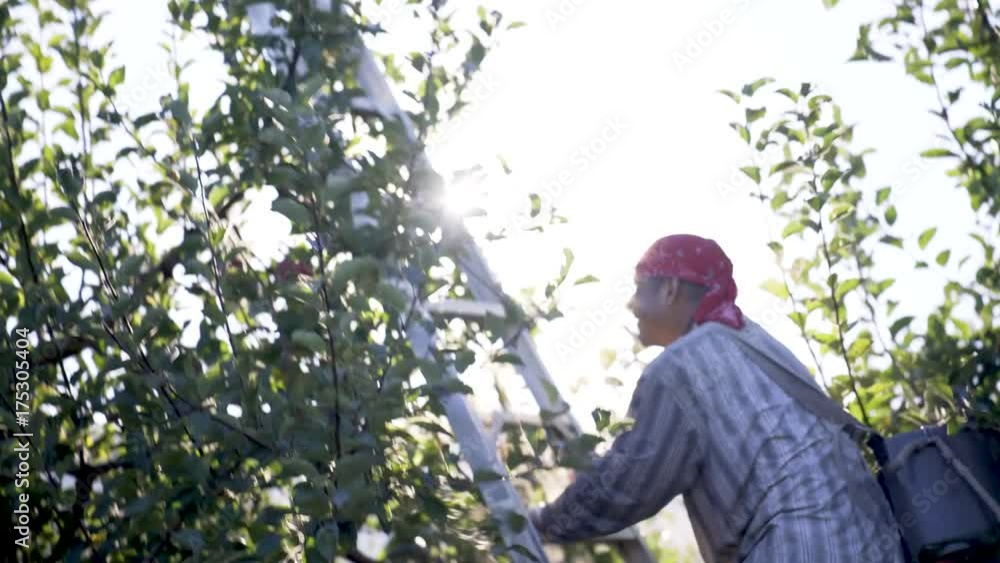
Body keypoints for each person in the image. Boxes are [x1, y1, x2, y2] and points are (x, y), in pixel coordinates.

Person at [530, 234, 904, 563]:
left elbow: (627, 483)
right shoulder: (755, 343)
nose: (631, 304)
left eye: (638, 288)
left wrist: (545, 521)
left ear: (670, 289)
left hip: (800, 547)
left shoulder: (679, 366)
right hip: (875, 544)